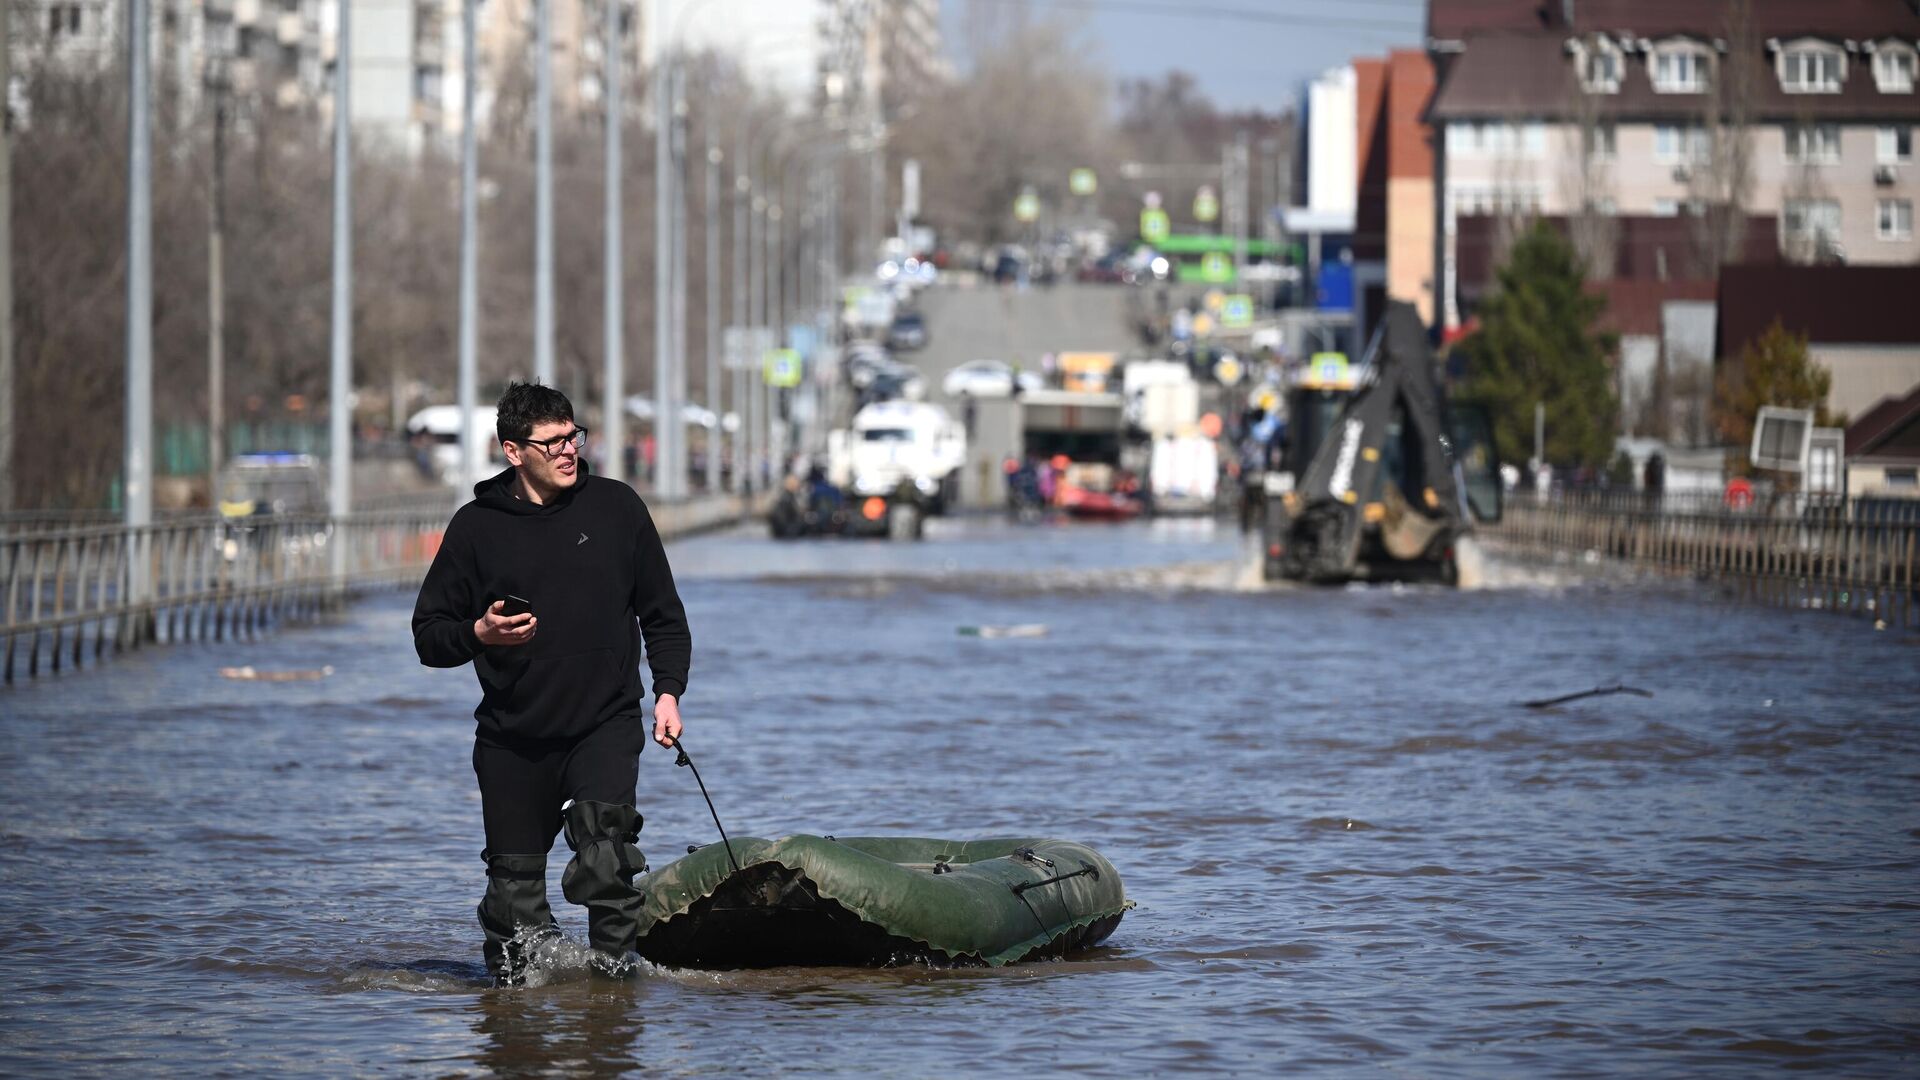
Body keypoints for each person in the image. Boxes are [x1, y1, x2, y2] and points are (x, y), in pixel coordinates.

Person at [411, 382, 691, 984]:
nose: (569, 451)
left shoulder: (617, 509)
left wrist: (668, 691)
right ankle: (516, 1025)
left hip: (605, 723)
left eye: (574, 436)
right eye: (553, 442)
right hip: (513, 737)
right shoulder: (475, 527)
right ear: (513, 451)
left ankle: (614, 1004)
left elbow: (663, 615)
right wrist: (480, 634)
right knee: (513, 906)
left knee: (605, 860)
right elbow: (429, 637)